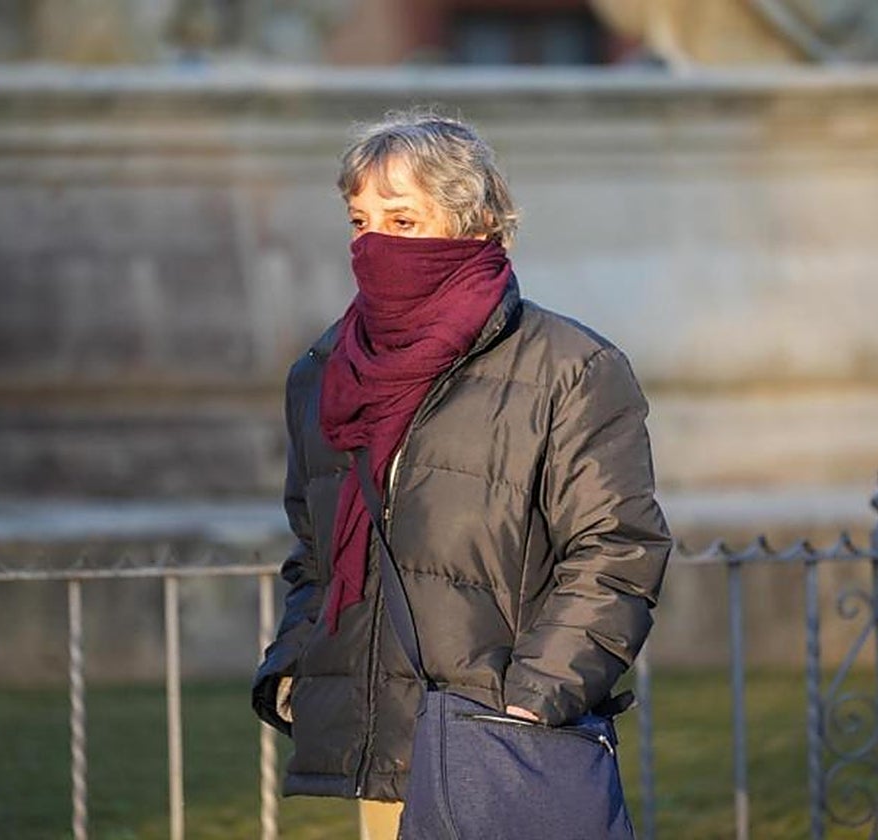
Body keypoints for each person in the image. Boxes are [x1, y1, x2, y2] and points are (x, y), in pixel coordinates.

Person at [252, 110, 671, 840]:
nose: (374, 243)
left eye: (403, 221)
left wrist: (534, 699)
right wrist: (294, 665)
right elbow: (314, 552)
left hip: (502, 746)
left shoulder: (570, 368)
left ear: (474, 224)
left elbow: (616, 550)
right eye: (360, 221)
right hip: (382, 747)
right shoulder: (324, 374)